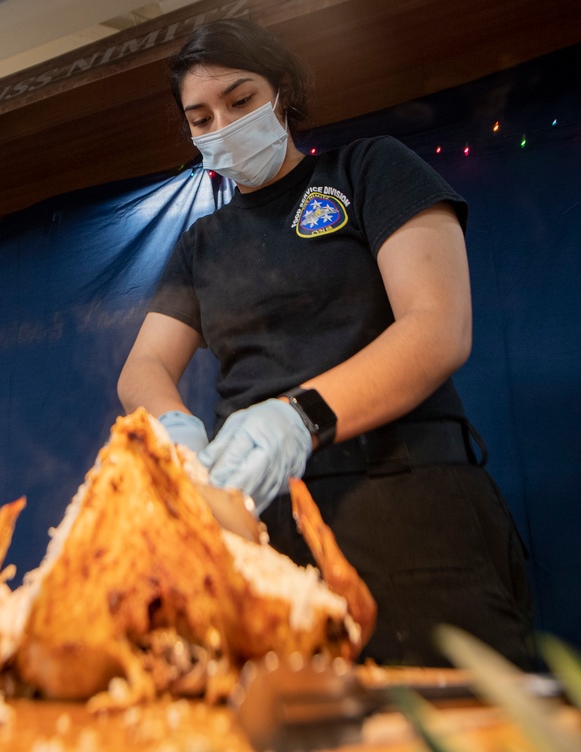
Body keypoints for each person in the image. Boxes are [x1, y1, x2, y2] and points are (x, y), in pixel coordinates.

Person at [117, 18, 535, 668]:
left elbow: (436, 326)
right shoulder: (202, 242)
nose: (221, 126)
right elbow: (143, 363)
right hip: (256, 518)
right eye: (199, 118)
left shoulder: (367, 169)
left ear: (281, 93)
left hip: (398, 494)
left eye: (239, 99)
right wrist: (172, 427)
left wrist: (297, 418)